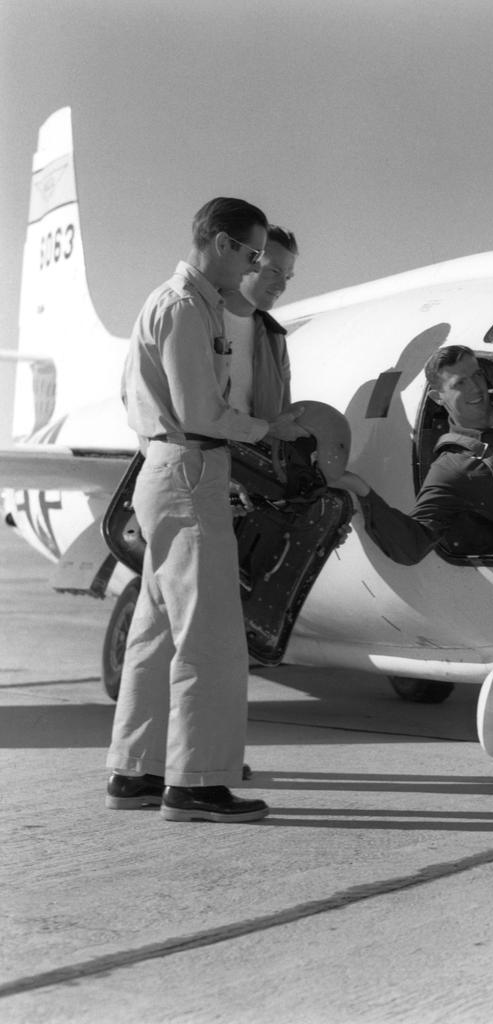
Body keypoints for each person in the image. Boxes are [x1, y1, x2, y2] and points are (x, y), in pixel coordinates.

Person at [106, 198, 310, 823]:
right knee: (213, 637)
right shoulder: (186, 308)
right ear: (221, 245)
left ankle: (135, 770)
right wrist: (268, 428)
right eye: (253, 254)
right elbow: (200, 411)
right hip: (190, 469)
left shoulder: (186, 305)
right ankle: (196, 783)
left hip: (172, 468)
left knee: (157, 632)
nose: (257, 264)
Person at [334, 344, 493, 563]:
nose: (476, 388)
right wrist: (359, 488)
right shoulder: (452, 468)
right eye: (460, 383)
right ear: (438, 398)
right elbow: (411, 547)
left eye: (477, 375)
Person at [221, 224, 298, 419]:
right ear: (248, 262)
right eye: (274, 271)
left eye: (287, 277)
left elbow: (282, 415)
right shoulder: (195, 316)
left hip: (254, 447)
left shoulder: (275, 340)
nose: (281, 286)